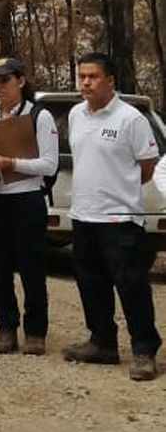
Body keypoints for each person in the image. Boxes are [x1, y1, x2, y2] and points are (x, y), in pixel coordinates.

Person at [64, 52, 161, 381]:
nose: (86, 83)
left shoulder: (130, 118)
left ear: (110, 81)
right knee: (91, 283)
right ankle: (102, 342)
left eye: (92, 76)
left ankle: (144, 350)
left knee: (131, 285)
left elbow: (147, 165)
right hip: (84, 215)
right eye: (82, 77)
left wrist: (122, 190)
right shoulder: (76, 114)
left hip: (120, 218)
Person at [0, 57, 58, 355]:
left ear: (21, 80)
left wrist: (12, 163)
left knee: (31, 265)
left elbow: (49, 163)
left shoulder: (38, 116)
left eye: (5, 80)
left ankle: (35, 332)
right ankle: (6, 327)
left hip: (25, 197)